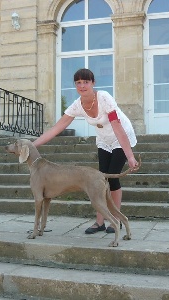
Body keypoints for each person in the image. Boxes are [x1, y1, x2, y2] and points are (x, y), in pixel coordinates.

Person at [33, 68, 138, 234]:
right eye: (78, 83)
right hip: (104, 140)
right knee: (101, 179)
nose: (82, 86)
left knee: (113, 178)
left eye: (86, 82)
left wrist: (130, 156)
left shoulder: (103, 98)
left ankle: (115, 221)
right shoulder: (77, 105)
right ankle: (99, 222)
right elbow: (56, 129)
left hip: (121, 137)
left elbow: (117, 127)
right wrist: (33, 145)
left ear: (93, 83)